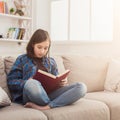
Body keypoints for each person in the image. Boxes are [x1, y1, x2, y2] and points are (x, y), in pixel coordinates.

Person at [7, 29, 87, 110]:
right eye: (39, 47)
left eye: (46, 48)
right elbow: (11, 81)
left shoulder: (51, 62)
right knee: (32, 83)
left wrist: (61, 82)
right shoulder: (22, 59)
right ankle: (56, 102)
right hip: (32, 94)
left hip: (50, 94)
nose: (42, 51)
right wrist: (27, 82)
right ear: (32, 44)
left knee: (81, 87)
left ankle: (47, 106)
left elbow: (55, 79)